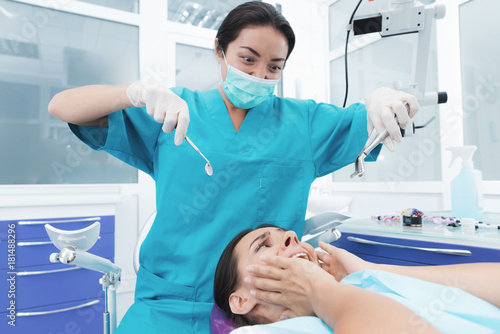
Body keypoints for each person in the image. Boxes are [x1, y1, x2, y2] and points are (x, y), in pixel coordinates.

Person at [48, 2, 419, 333]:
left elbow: (370, 122)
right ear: (219, 51)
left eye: (274, 66)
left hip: (261, 310)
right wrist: (135, 92)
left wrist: (383, 100)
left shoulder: (304, 123)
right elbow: (64, 106)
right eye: (248, 59)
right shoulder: (176, 112)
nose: (259, 74)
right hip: (166, 304)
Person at [213, 225, 500, 333]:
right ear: (241, 301)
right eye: (263, 246)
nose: (292, 236)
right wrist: (316, 288)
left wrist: (369, 269)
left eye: (291, 236)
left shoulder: (360, 284)